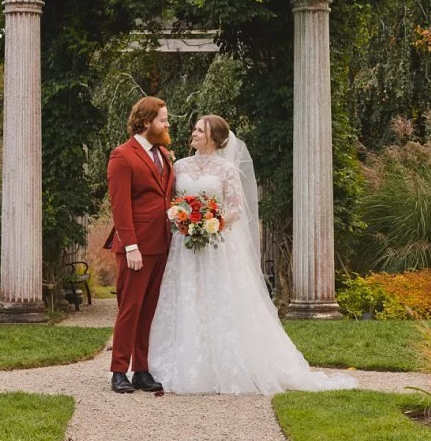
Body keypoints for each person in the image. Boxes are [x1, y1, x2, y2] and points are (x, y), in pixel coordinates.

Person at [148, 114, 359, 394]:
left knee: (218, 297)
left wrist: (212, 223)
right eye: (195, 129)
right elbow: (174, 202)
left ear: (214, 138)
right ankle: (179, 360)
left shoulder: (226, 169)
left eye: (200, 130)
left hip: (216, 244)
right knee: (186, 296)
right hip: (184, 247)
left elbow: (236, 208)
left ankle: (222, 364)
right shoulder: (180, 165)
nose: (194, 133)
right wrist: (182, 219)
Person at [103, 96, 175, 393]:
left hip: (162, 243)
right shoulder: (123, 155)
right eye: (162, 119)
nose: (167, 124)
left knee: (149, 311)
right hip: (136, 248)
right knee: (130, 309)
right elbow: (120, 206)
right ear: (146, 122)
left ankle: (141, 370)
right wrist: (131, 246)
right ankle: (119, 371)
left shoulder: (164, 155)